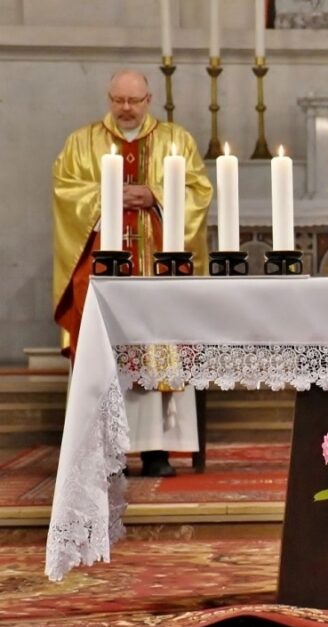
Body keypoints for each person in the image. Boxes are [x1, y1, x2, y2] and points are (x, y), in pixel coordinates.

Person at [52, 69, 212, 477]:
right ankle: (108, 452)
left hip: (159, 268)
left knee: (160, 346)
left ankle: (157, 450)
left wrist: (155, 194)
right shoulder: (81, 142)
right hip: (103, 270)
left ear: (148, 99)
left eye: (134, 101)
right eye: (118, 100)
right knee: (104, 352)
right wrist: (105, 196)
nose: (125, 108)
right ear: (109, 98)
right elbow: (65, 190)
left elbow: (199, 190)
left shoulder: (176, 140)